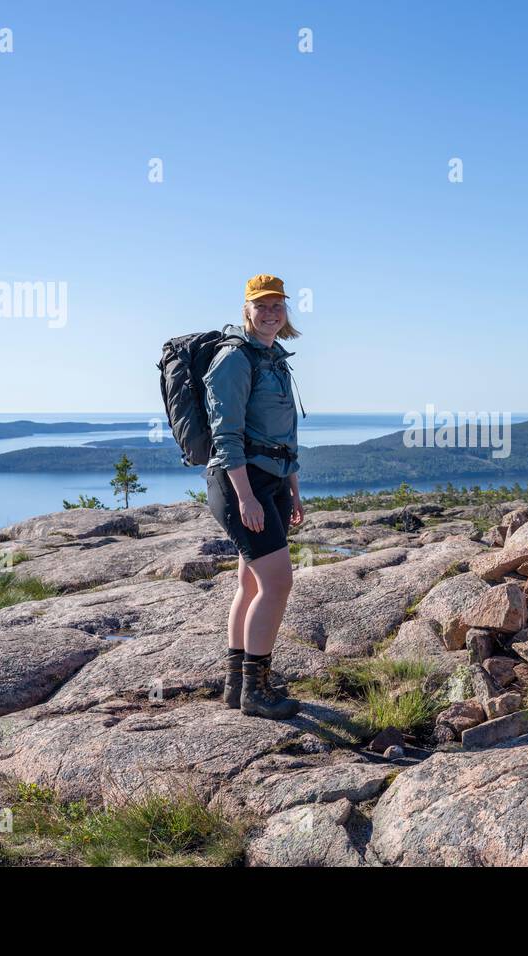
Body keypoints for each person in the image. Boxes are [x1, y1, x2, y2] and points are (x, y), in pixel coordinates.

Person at [203, 273, 304, 719]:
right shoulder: (233, 359)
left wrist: (293, 490)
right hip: (241, 483)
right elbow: (226, 437)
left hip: (273, 482)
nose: (270, 312)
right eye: (261, 306)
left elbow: (286, 434)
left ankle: (237, 684)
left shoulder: (275, 357)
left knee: (250, 583)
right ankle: (257, 692)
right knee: (278, 582)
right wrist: (246, 498)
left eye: (277, 305)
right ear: (246, 310)